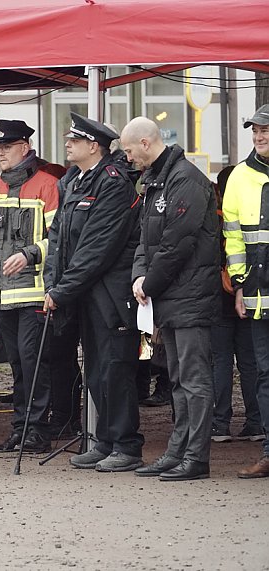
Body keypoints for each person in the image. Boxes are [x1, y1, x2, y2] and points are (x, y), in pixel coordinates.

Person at [44, 113, 144, 473]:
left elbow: (96, 248)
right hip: (85, 293)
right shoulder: (74, 181)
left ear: (94, 146)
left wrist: (62, 290)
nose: (67, 144)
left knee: (115, 369)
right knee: (97, 370)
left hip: (110, 294)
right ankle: (105, 441)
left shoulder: (112, 183)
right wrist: (52, 284)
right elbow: (58, 239)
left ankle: (126, 444)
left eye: (75, 140)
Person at [123, 116, 218, 481]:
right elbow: (145, 240)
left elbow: (178, 243)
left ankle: (196, 457)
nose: (128, 158)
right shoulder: (156, 180)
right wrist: (139, 276)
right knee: (177, 377)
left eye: (129, 151)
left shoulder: (186, 179)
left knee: (193, 379)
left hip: (190, 295)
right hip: (169, 295)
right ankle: (178, 451)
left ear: (145, 143)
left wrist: (148, 283)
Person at [0, 119, 59, 454]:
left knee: (34, 363)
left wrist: (29, 253)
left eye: (6, 147)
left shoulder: (47, 184)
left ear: (25, 147)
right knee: (17, 365)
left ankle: (37, 431)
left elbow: (59, 240)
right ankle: (20, 429)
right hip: (2, 293)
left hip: (34, 291)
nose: (0, 154)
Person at [222, 104, 269, 479]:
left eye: (265, 130)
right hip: (257, 295)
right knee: (265, 375)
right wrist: (239, 284)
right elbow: (233, 238)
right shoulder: (239, 176)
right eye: (255, 131)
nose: (259, 136)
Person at [210, 166, 262, 443]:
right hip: (248, 296)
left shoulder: (214, 219)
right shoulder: (250, 215)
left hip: (219, 299)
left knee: (220, 362)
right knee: (249, 362)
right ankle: (255, 422)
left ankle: (220, 424)